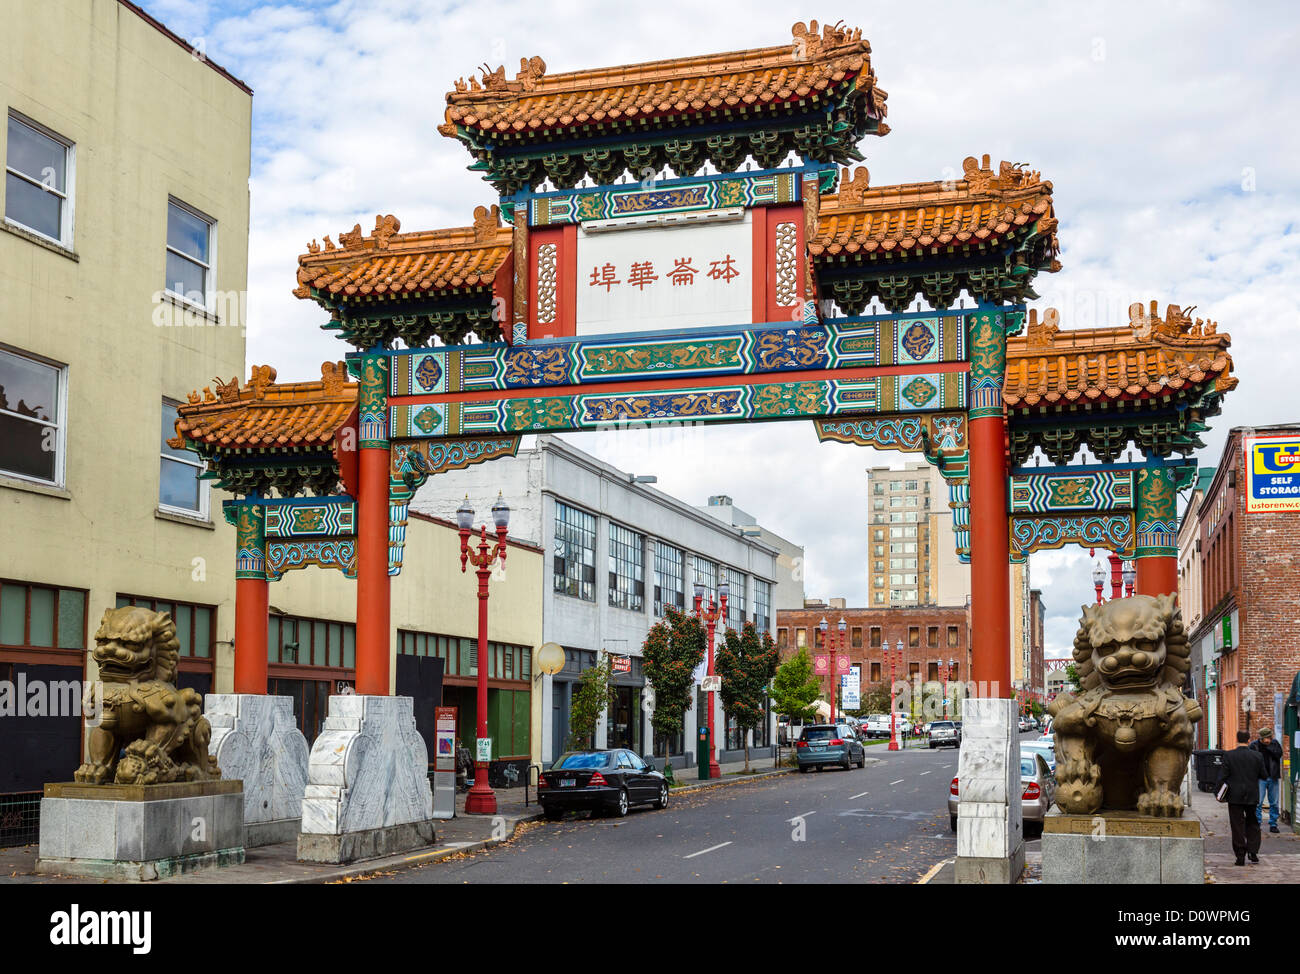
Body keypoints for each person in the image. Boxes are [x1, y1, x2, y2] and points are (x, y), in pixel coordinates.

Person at [1216, 730, 1268, 865]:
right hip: (1252, 794)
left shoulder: (1229, 755)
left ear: (1237, 739)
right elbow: (1263, 775)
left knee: (1237, 825)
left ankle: (1240, 856)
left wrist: (1218, 793)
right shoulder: (1257, 756)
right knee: (1253, 823)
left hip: (1234, 795)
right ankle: (1253, 851)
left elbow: (1222, 776)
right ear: (1249, 739)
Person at [1251, 728, 1284, 833]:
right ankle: (1257, 824)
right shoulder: (1254, 745)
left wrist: (1269, 747)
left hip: (1273, 776)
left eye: (1270, 737)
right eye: (1266, 738)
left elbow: (1279, 754)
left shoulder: (1274, 744)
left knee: (1274, 802)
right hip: (1260, 777)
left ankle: (1273, 824)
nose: (1268, 740)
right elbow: (1251, 760)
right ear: (1261, 738)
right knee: (1258, 802)